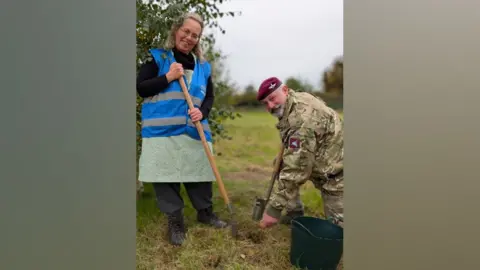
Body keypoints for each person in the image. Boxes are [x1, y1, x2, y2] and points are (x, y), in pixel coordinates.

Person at [136, 12, 227, 246]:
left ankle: (205, 212)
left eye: (194, 35)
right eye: (185, 31)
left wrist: (203, 112)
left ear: (198, 39)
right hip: (161, 133)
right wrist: (168, 76)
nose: (189, 38)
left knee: (199, 172)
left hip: (194, 129)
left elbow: (209, 97)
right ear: (176, 30)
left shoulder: (203, 67)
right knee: (165, 177)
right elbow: (142, 88)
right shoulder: (158, 58)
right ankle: (175, 222)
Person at [256, 77, 344, 229]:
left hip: (337, 173)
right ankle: (293, 211)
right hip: (322, 154)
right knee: (281, 163)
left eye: (272, 98)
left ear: (285, 90)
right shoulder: (294, 100)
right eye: (265, 103)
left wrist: (274, 209)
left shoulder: (301, 120)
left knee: (338, 232)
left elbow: (297, 167)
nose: (270, 106)